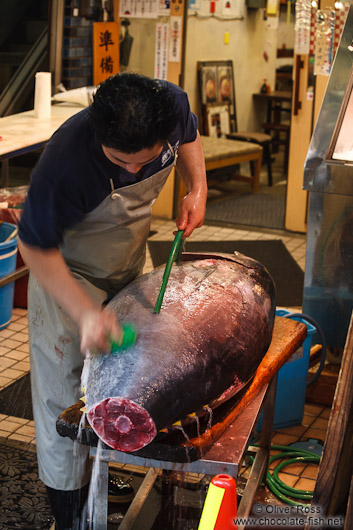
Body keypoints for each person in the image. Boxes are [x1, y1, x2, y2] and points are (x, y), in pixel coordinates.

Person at [18, 72, 207, 529]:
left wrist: (196, 188)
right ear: (99, 135)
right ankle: (70, 510)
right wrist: (85, 314)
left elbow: (189, 137)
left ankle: (98, 476)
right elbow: (32, 245)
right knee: (64, 398)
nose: (133, 172)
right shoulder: (65, 161)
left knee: (118, 382)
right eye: (120, 161)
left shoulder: (171, 105)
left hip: (126, 261)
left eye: (144, 163)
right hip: (67, 277)